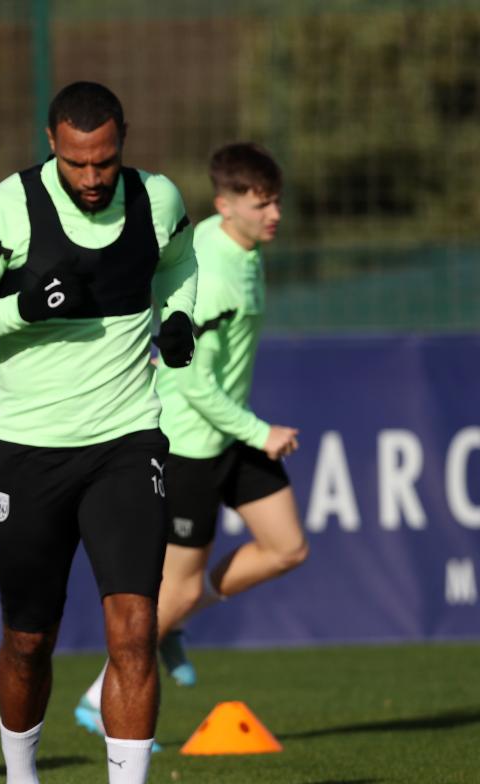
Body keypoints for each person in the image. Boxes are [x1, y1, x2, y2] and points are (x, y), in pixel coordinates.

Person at [0, 81, 197, 784]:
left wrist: (179, 316)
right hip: (30, 454)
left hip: (126, 442)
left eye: (105, 161)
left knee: (134, 630)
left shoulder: (158, 199)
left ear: (125, 144)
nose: (91, 178)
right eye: (76, 162)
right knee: (27, 642)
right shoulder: (6, 211)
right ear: (51, 143)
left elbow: (180, 266)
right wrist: (26, 304)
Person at [75, 142, 308, 730]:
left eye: (276, 201)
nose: (273, 214)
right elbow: (193, 380)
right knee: (172, 590)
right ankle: (100, 696)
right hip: (188, 444)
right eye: (261, 204)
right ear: (226, 206)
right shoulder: (216, 271)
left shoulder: (243, 247)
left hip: (227, 431)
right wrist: (262, 432)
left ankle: (172, 627)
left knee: (286, 547)